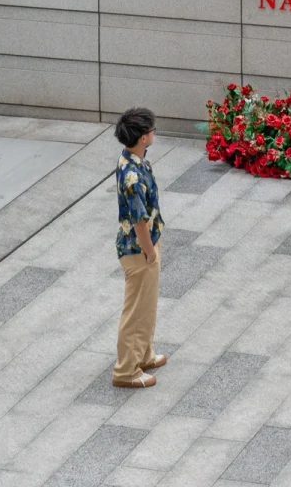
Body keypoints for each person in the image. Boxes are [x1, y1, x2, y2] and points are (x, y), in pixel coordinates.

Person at [113, 107, 167, 389]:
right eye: (151, 130)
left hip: (144, 245)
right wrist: (150, 251)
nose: (154, 133)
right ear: (144, 138)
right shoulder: (132, 175)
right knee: (135, 312)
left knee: (147, 306)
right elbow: (138, 220)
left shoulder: (132, 159)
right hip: (138, 250)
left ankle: (144, 355)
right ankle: (126, 371)